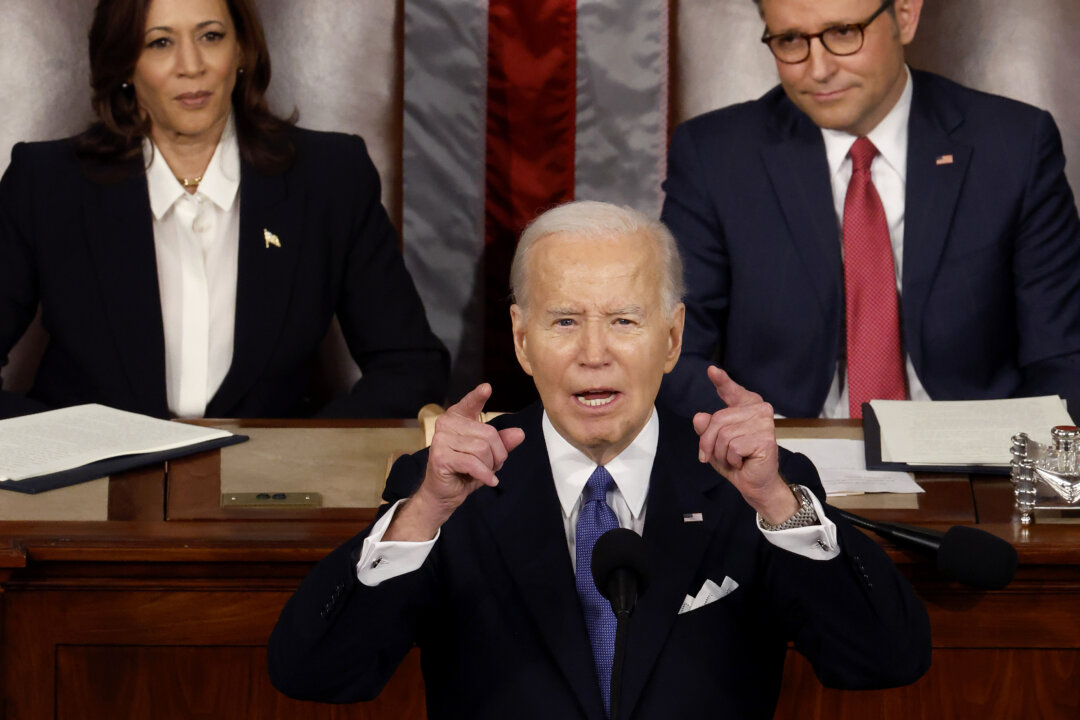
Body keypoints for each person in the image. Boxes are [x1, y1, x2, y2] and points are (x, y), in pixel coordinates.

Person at [268, 201, 930, 719]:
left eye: (623, 320)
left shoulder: (751, 482)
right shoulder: (444, 488)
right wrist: (424, 514)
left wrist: (778, 506)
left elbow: (885, 661)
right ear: (522, 342)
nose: (594, 353)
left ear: (671, 339)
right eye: (563, 322)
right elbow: (315, 675)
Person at [0, 0, 448, 420]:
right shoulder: (46, 184)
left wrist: (300, 456)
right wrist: (60, 448)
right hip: (90, 488)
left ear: (241, 50)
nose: (191, 66)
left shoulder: (331, 177)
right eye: (161, 42)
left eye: (210, 36)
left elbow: (410, 366)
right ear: (125, 64)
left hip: (267, 493)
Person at [660, 0, 1080, 420]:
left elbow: (1062, 354)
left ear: (904, 16)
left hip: (971, 458)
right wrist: (747, 437)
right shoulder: (715, 156)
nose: (819, 69)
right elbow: (671, 352)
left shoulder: (1014, 146)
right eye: (790, 40)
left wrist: (1025, 469)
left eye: (844, 33)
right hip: (781, 452)